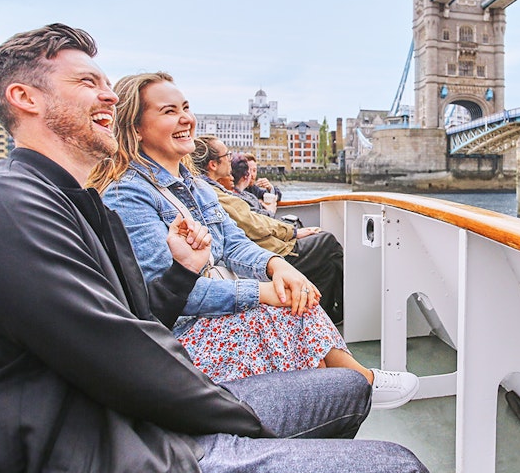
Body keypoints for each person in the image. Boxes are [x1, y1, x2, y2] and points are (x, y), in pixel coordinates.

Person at [0, 24, 433, 473]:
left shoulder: (76, 202)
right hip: (102, 458)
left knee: (346, 389)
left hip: (134, 418)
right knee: (403, 471)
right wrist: (238, 418)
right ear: (24, 98)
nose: (106, 94)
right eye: (87, 81)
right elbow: (120, 356)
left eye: (107, 84)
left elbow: (143, 316)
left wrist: (183, 270)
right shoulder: (2, 209)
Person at [90, 73, 413, 404]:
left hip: (208, 315)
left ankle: (345, 389)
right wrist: (262, 291)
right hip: (176, 338)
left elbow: (233, 243)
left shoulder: (196, 186)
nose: (186, 118)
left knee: (294, 298)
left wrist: (277, 266)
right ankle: (350, 388)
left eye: (185, 107)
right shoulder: (127, 195)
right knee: (276, 309)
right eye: (169, 111)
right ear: (136, 128)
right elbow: (163, 295)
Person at [193, 136, 344, 323]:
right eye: (227, 155)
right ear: (213, 165)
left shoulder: (210, 190)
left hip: (263, 250)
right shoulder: (213, 193)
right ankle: (343, 311)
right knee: (327, 241)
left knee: (327, 264)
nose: (230, 159)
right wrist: (293, 233)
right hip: (269, 252)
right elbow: (251, 223)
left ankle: (323, 315)